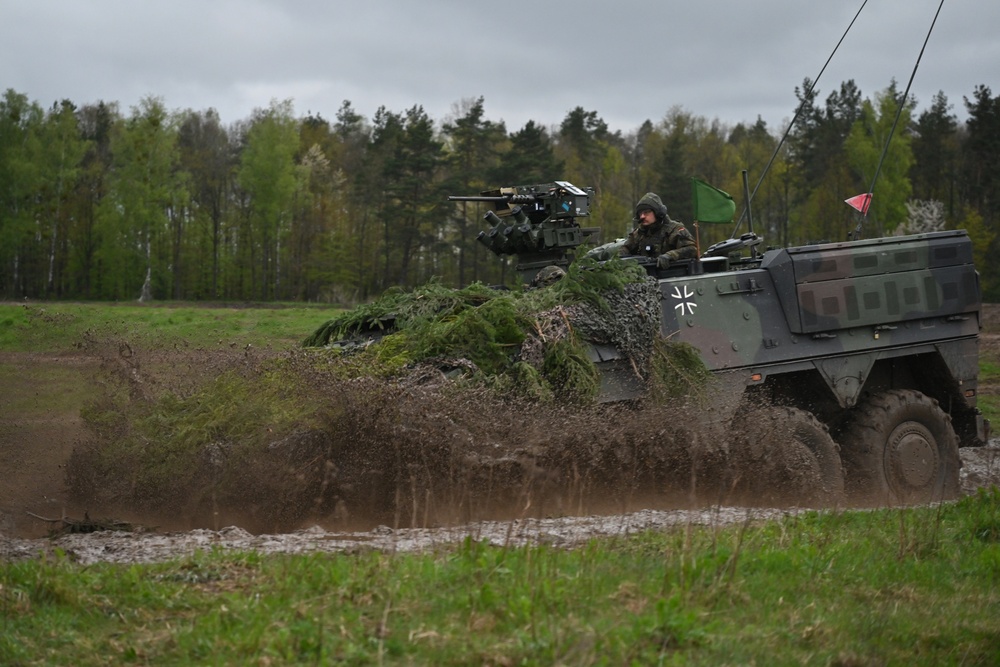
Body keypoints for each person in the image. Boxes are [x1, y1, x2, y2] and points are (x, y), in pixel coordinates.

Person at [623, 192, 697, 268]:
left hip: (671, 274)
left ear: (657, 212)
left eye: (646, 212)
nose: (642, 216)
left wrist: (670, 255)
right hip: (645, 276)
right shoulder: (638, 234)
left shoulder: (674, 230)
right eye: (640, 213)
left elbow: (692, 250)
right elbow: (624, 250)